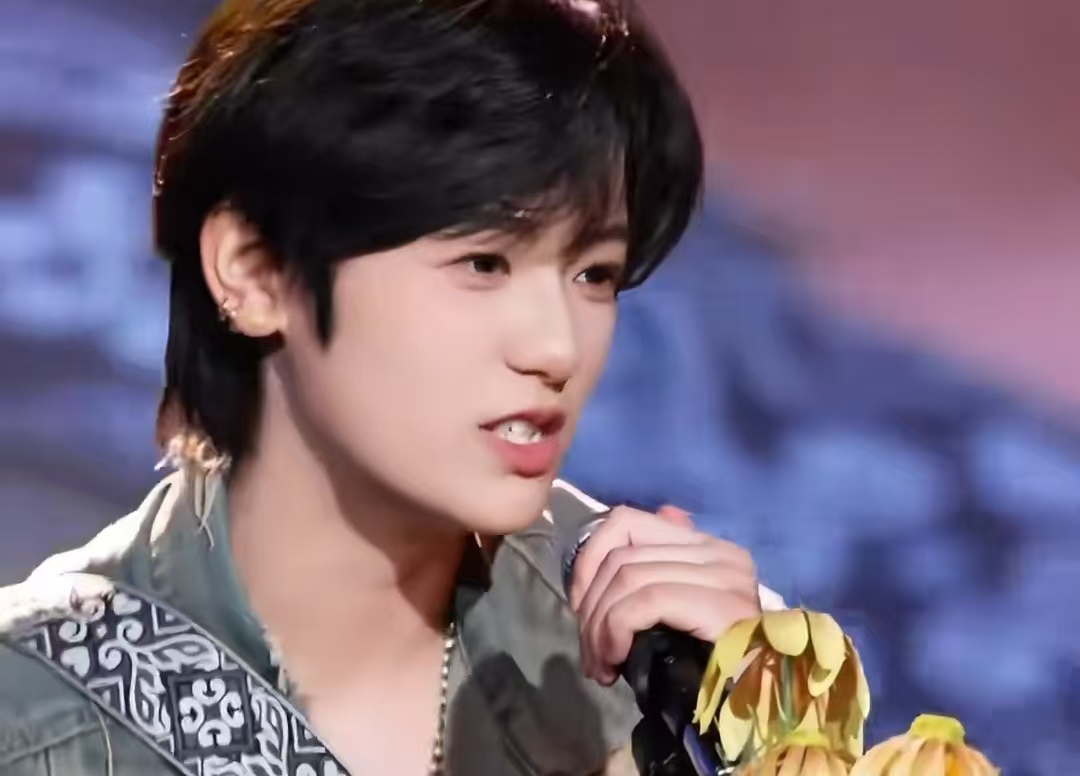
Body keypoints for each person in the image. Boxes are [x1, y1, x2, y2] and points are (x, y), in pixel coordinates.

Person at [0, 0, 776, 773]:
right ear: (255, 271)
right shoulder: (35, 725)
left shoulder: (678, 660)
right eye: (484, 263)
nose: (557, 348)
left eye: (594, 274)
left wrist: (764, 741)